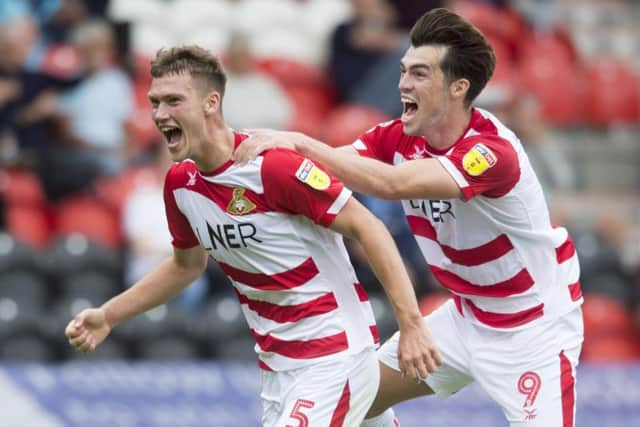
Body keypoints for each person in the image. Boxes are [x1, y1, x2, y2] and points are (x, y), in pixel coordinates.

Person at [234, 8, 584, 427]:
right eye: (403, 70)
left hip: (533, 328)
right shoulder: (398, 135)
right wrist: (249, 169)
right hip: (466, 316)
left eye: (419, 73)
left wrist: (300, 143)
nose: (403, 84)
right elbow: (330, 170)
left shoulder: (491, 152)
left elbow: (394, 184)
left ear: (458, 88)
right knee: (353, 402)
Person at [65, 45, 439, 426]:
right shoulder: (181, 183)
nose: (160, 115)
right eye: (155, 102)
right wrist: (109, 315)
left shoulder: (272, 166)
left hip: (334, 356)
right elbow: (185, 266)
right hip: (278, 368)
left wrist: (410, 325)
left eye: (173, 101)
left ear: (211, 103)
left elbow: (368, 226)